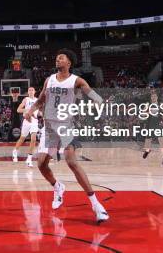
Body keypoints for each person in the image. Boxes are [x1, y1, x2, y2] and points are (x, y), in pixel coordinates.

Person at [25, 49, 109, 224]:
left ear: (69, 62)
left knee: (72, 162)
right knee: (41, 164)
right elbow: (41, 99)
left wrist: (100, 101)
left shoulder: (75, 80)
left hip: (65, 126)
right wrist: (31, 110)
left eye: (61, 58)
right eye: (57, 58)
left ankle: (96, 205)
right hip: (49, 127)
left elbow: (90, 92)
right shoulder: (49, 80)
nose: (57, 59)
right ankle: (58, 187)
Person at [12, 87, 40, 167]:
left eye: (32, 90)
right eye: (29, 90)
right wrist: (27, 110)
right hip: (27, 121)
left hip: (34, 121)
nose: (31, 91)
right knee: (22, 138)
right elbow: (18, 110)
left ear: (34, 91)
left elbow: (39, 111)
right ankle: (15, 151)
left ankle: (29, 158)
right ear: (28, 92)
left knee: (34, 139)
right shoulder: (26, 99)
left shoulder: (37, 100)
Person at [142, 88, 163, 165]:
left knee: (161, 141)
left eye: (155, 96)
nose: (153, 97)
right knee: (148, 141)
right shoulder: (148, 105)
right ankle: (147, 151)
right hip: (150, 124)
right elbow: (143, 115)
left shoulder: (160, 105)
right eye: (152, 96)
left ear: (157, 97)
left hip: (157, 125)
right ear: (151, 98)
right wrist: (144, 110)